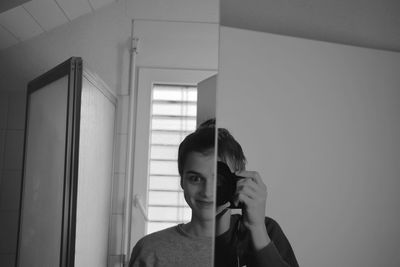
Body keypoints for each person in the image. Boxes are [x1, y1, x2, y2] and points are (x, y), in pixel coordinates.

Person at [129, 120, 298, 266]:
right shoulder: (151, 250)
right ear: (182, 181)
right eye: (195, 178)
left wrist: (257, 228)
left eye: (218, 179)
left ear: (238, 180)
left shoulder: (265, 231)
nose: (207, 192)